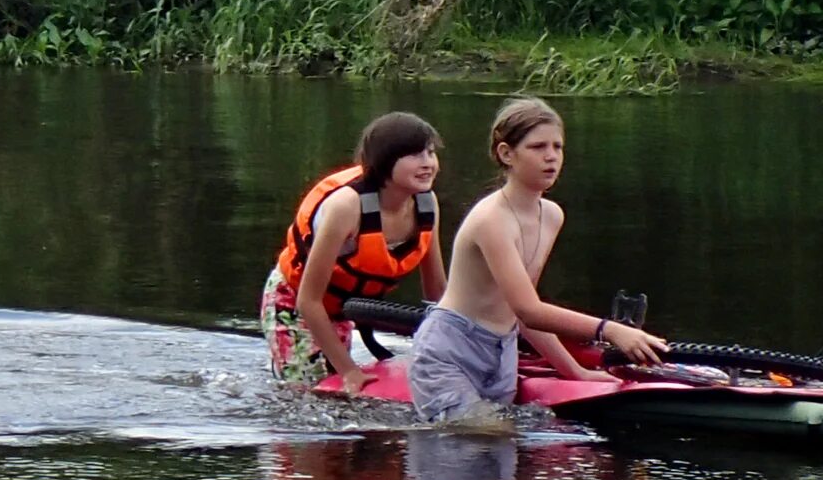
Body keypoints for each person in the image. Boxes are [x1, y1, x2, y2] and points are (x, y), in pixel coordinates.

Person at [409, 96, 668, 421]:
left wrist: (576, 372)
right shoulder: (491, 219)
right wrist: (611, 330)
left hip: (502, 352)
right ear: (507, 154)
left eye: (557, 147)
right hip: (450, 351)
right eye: (538, 147)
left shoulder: (552, 215)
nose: (551, 157)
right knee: (481, 438)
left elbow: (525, 314)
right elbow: (528, 310)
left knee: (500, 461)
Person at [264, 111, 448, 388]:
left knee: (334, 385)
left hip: (341, 309)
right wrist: (349, 371)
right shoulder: (347, 207)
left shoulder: (426, 203)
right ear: (384, 161)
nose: (427, 164)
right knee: (310, 390)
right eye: (414, 155)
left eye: (430, 153)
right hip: (294, 302)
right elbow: (308, 300)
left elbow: (437, 294)